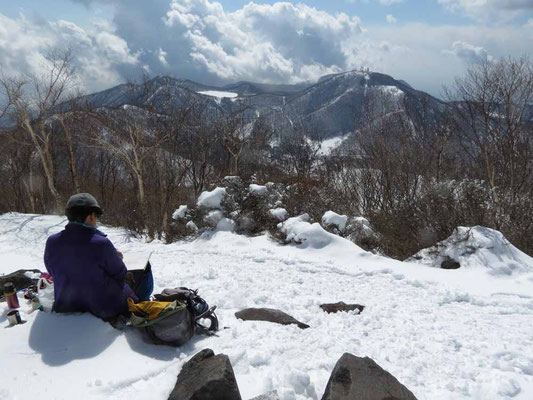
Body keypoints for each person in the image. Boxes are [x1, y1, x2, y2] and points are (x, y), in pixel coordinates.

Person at [44, 193, 139, 321]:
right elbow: (120, 273)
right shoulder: (100, 243)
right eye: (97, 216)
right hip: (102, 309)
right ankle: (140, 310)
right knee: (141, 275)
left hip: (65, 305)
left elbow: (52, 271)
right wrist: (117, 258)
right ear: (91, 216)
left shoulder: (52, 241)